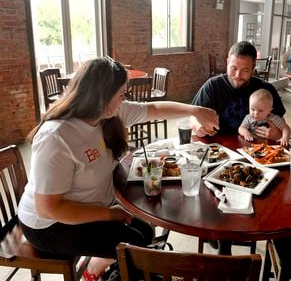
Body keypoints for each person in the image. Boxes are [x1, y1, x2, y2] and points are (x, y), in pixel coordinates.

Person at [17, 57, 219, 280]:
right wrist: (108, 214)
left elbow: (154, 109)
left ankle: (104, 269)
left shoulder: (109, 114)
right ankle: (117, 272)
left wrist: (195, 110)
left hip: (88, 206)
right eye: (122, 94)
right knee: (135, 244)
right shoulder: (57, 137)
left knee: (145, 231)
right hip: (49, 226)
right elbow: (50, 209)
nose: (125, 99)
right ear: (101, 96)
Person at [191, 41, 286, 140]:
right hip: (219, 147)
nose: (237, 75)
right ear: (227, 63)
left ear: (253, 69)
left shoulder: (266, 90)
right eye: (234, 68)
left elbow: (282, 129)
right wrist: (197, 126)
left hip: (256, 149)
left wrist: (277, 134)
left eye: (245, 70)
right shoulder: (212, 86)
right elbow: (192, 117)